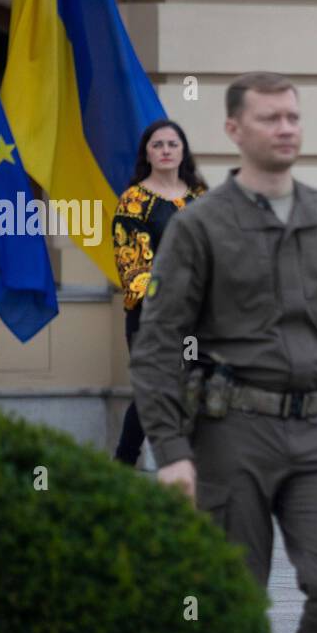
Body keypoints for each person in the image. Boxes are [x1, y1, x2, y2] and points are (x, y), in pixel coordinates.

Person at [130, 72, 317, 633]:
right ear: (233, 130)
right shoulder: (200, 226)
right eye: (270, 118)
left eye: (293, 117)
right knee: (230, 598)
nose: (286, 128)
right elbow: (157, 345)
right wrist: (170, 450)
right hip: (230, 435)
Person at [111, 119, 207, 466]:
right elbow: (134, 271)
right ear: (147, 154)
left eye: (172, 144)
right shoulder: (134, 201)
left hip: (202, 316)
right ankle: (124, 464)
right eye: (158, 145)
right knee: (153, 392)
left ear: (183, 151)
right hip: (151, 316)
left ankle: (197, 468)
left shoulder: (201, 196)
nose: (166, 150)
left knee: (202, 386)